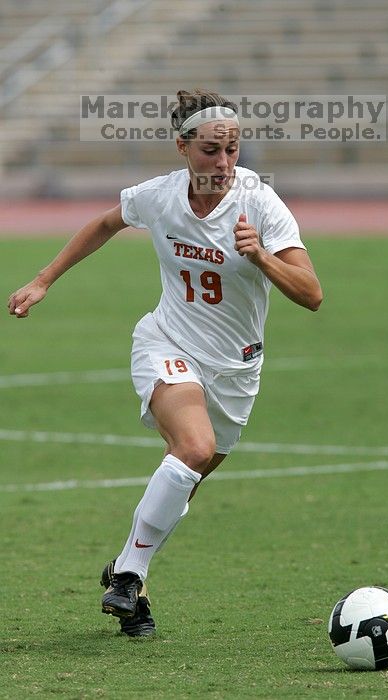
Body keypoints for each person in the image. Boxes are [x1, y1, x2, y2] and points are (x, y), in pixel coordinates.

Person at [8, 89, 323, 637]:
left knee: (188, 474)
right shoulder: (160, 197)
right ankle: (130, 575)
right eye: (209, 150)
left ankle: (129, 571)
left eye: (232, 150)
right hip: (167, 343)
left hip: (237, 368)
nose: (223, 163)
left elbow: (312, 294)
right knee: (193, 448)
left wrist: (262, 256)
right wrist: (42, 280)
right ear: (182, 147)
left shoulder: (261, 204)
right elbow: (106, 223)